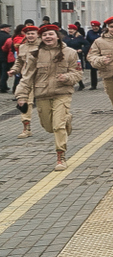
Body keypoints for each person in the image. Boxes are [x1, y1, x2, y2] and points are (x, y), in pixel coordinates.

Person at [15, 24, 83, 170]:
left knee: (58, 126)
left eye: (50, 34)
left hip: (62, 93)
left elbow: (78, 73)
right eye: (44, 35)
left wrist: (67, 77)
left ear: (57, 36)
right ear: (41, 38)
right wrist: (21, 96)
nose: (48, 37)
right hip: (42, 94)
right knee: (48, 127)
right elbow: (26, 77)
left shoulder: (70, 53)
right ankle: (67, 120)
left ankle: (60, 157)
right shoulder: (34, 54)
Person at [11, 25, 40, 137]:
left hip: (42, 78)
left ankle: (62, 120)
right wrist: (14, 70)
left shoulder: (43, 46)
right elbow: (19, 62)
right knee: (25, 102)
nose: (30, 36)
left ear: (37, 35)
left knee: (47, 104)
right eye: (28, 34)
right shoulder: (22, 47)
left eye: (32, 33)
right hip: (27, 78)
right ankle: (26, 128)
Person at [83, 20, 102, 89]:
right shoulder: (89, 33)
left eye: (96, 26)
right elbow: (87, 42)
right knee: (93, 68)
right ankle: (93, 85)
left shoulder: (102, 32)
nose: (94, 28)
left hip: (102, 51)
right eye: (93, 26)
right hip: (93, 52)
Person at [0, 22, 11, 92]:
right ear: (4, 29)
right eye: (8, 28)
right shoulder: (7, 37)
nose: (9, 30)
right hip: (4, 56)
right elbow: (7, 47)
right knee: (4, 72)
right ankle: (3, 87)